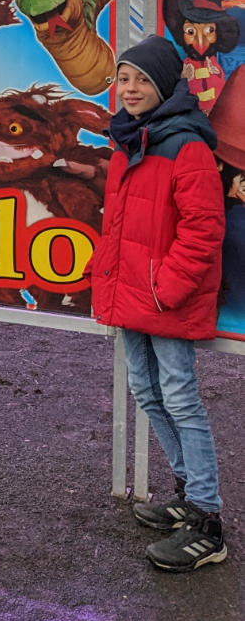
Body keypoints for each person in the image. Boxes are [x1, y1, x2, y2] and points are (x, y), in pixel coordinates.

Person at [89, 35, 227, 571]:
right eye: (123, 79)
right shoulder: (129, 140)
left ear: (164, 85)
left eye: (141, 80)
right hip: (132, 294)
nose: (130, 89)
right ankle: (188, 493)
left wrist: (165, 289)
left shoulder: (186, 145)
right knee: (147, 392)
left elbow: (203, 230)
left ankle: (207, 521)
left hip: (165, 299)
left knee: (180, 397)